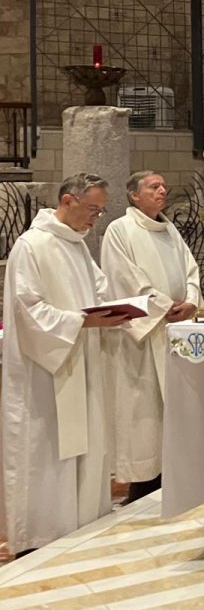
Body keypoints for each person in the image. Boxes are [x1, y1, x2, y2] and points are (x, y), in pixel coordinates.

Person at [1, 173, 133, 555]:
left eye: (101, 210)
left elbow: (100, 290)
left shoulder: (76, 246)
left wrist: (118, 312)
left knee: (85, 443)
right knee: (47, 446)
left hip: (80, 359)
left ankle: (79, 523)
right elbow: (28, 310)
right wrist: (82, 320)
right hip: (46, 370)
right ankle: (40, 533)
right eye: (92, 209)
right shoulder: (32, 245)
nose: (96, 218)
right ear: (67, 201)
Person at [100, 171, 200, 503]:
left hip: (173, 331)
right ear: (134, 195)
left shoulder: (169, 230)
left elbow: (191, 269)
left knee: (171, 410)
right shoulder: (120, 231)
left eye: (163, 186)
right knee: (144, 416)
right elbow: (125, 279)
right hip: (142, 338)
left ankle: (174, 475)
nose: (162, 190)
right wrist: (163, 305)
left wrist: (191, 300)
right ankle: (142, 485)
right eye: (153, 187)